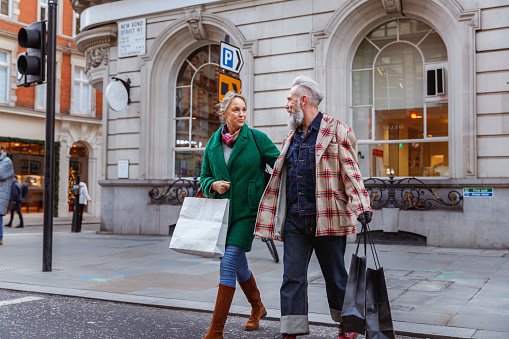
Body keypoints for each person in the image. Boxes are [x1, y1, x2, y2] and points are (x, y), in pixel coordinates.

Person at [254, 76, 373, 339]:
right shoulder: (291, 137)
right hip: (296, 220)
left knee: (336, 277)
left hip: (328, 217)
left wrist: (361, 205)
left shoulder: (337, 131)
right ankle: (291, 330)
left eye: (289, 99)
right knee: (292, 277)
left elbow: (351, 172)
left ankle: (347, 325)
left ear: (303, 100)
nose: (287, 105)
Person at [201, 91, 280, 339]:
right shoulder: (213, 144)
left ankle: (216, 331)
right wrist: (212, 185)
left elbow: (279, 165)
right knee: (238, 266)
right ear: (224, 113)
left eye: (244, 109)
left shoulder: (256, 139)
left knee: (227, 264)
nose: (241, 114)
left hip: (247, 210)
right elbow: (204, 176)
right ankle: (257, 307)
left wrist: (263, 191)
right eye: (236, 110)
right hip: (223, 214)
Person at [0, 144, 14, 246]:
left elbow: (1, 174)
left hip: (1, 194)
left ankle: (0, 238)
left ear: (2, 150)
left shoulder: (7, 161)